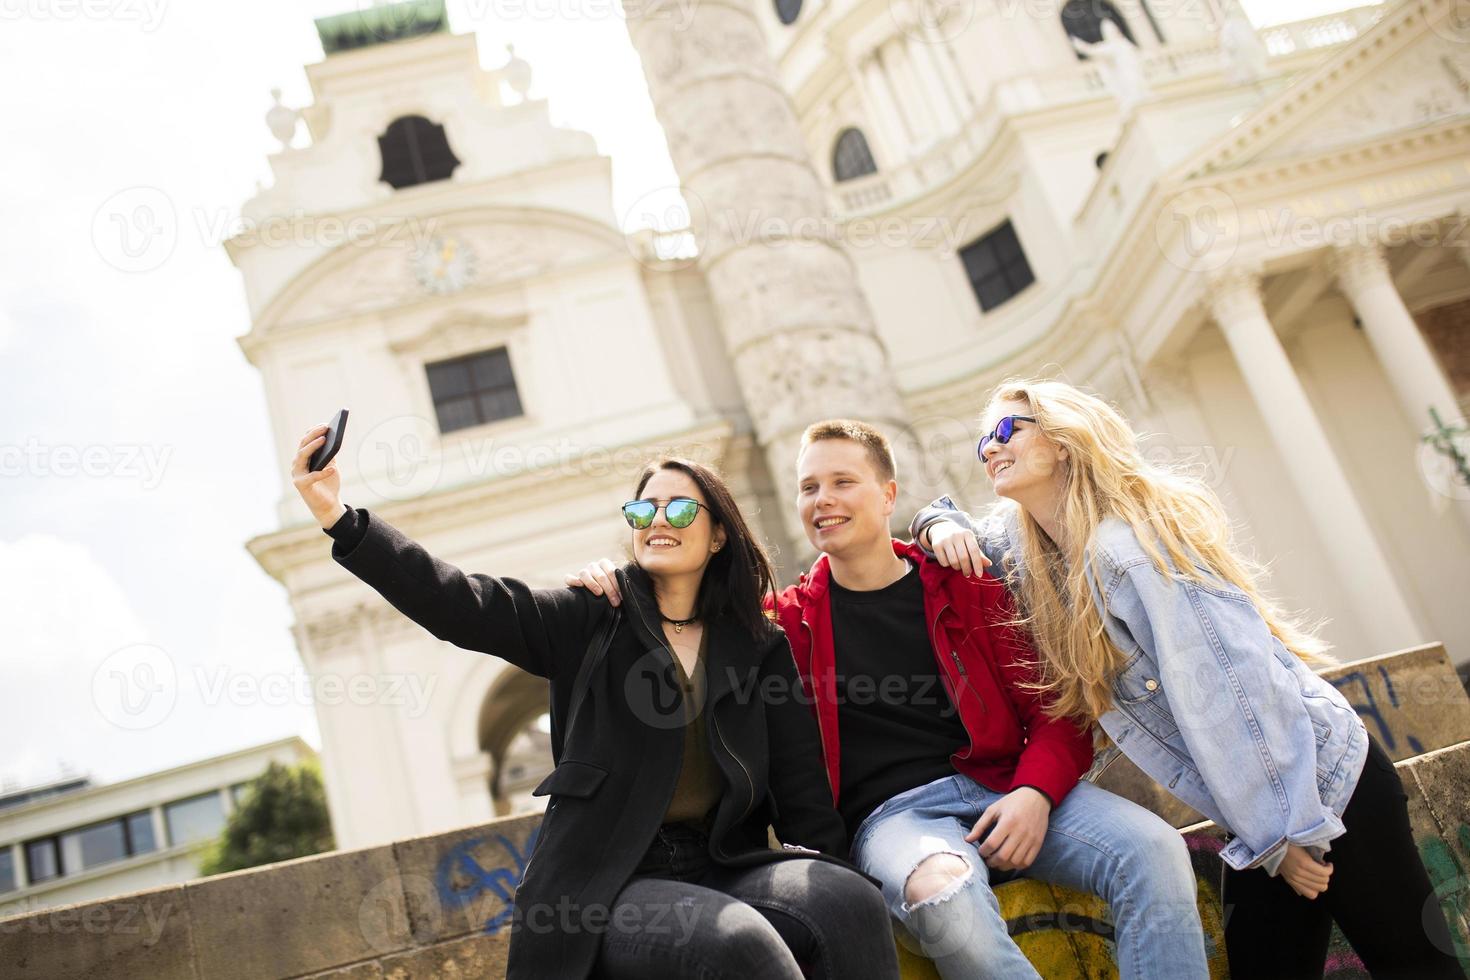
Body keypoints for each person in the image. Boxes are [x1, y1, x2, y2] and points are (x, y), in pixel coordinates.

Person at [569, 420, 1209, 979]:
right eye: (809, 487)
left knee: (1152, 850)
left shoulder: (966, 586)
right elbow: (686, 610)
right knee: (946, 896)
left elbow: (1055, 709)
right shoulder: (779, 627)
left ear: (889, 494)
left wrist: (1035, 794)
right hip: (895, 823)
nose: (823, 500)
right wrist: (618, 580)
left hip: (1006, 789)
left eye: (842, 482)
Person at [290, 423, 900, 980]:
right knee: (738, 944)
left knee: (848, 902)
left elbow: (804, 799)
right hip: (607, 884)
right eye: (644, 507)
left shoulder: (759, 646)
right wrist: (341, 519)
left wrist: (842, 871)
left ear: (718, 535)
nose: (659, 518)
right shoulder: (590, 618)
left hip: (723, 862)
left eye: (681, 506)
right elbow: (462, 604)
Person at [911, 378, 1465, 980]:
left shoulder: (1127, 552)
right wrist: (936, 524)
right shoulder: (1039, 550)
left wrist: (1286, 834)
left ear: (1064, 440)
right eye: (980, 442)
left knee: (1415, 966)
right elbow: (946, 519)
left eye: (1004, 431)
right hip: (1262, 813)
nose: (988, 448)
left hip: (1319, 787)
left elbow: (1234, 694)